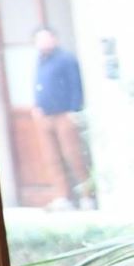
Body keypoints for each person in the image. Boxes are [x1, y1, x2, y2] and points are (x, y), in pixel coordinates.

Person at [33, 26, 96, 209]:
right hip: (45, 116)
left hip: (64, 115)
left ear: (54, 39)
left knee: (73, 155)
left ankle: (87, 195)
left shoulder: (65, 59)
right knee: (52, 158)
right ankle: (63, 196)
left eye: (45, 38)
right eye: (38, 40)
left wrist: (73, 110)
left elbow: (76, 85)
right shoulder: (40, 61)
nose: (42, 43)